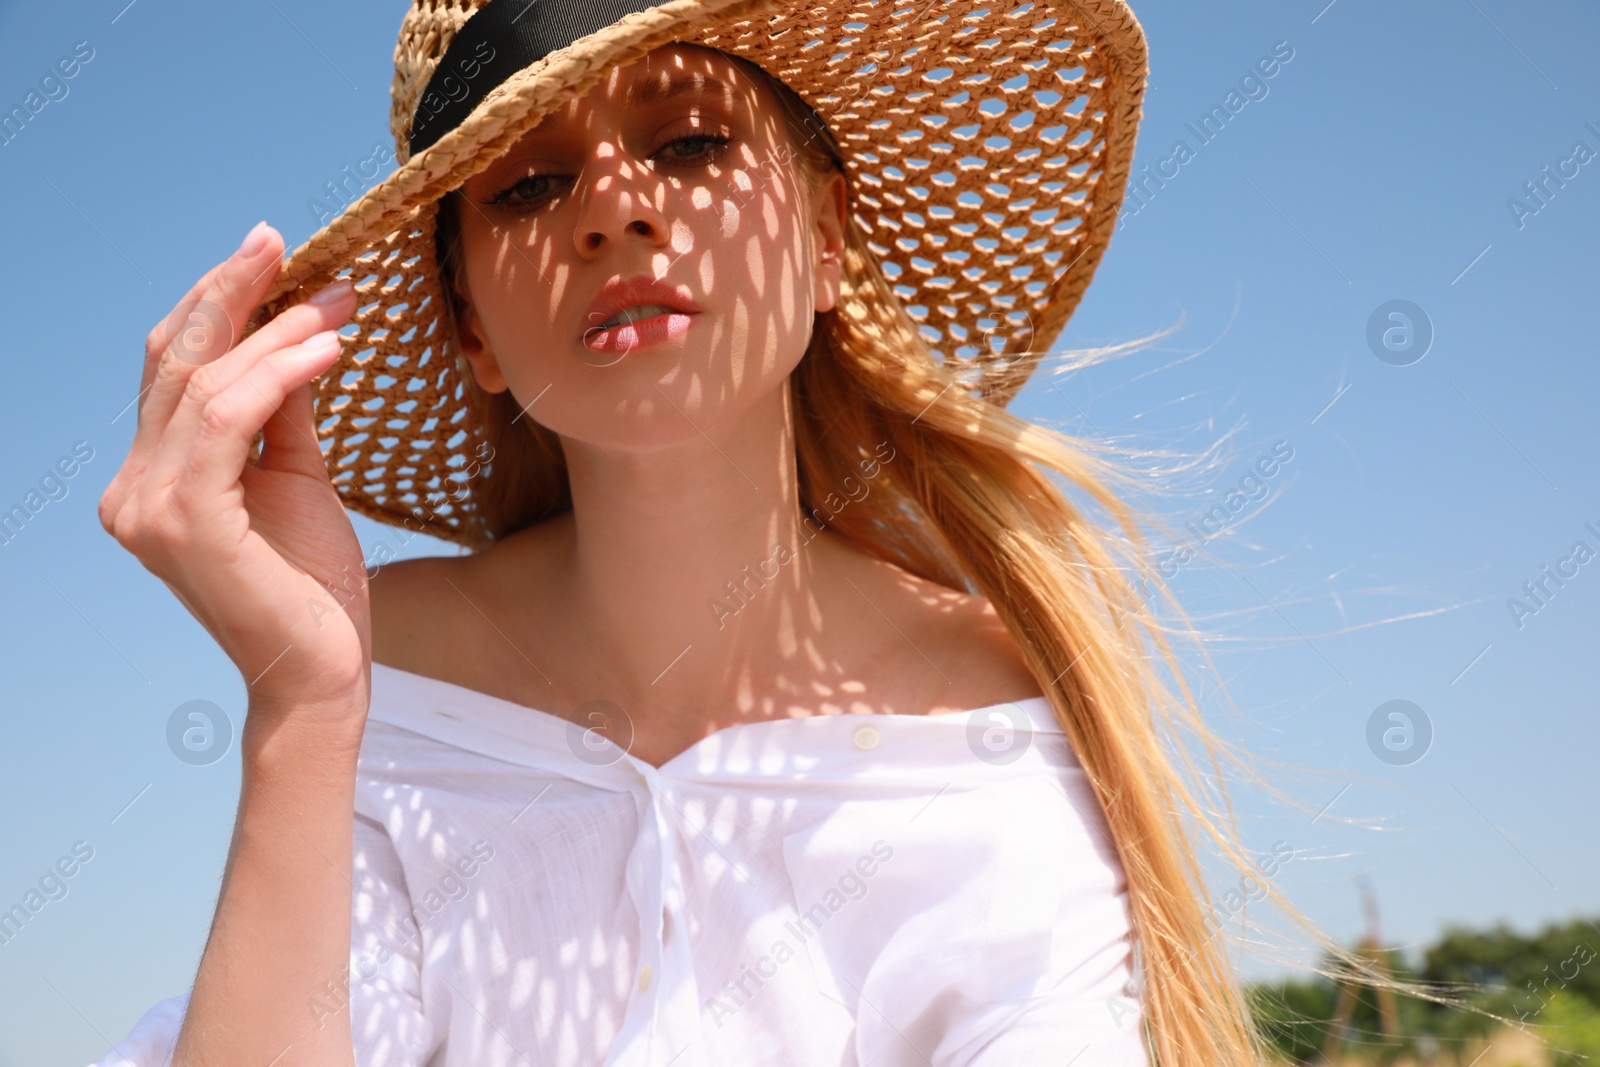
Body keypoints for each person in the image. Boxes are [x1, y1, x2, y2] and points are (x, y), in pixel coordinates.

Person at [89, 0, 1440, 1064]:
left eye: (687, 143)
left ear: (826, 236)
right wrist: (301, 707)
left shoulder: (989, 708)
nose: (615, 206)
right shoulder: (380, 677)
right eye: (525, 186)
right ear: (472, 334)